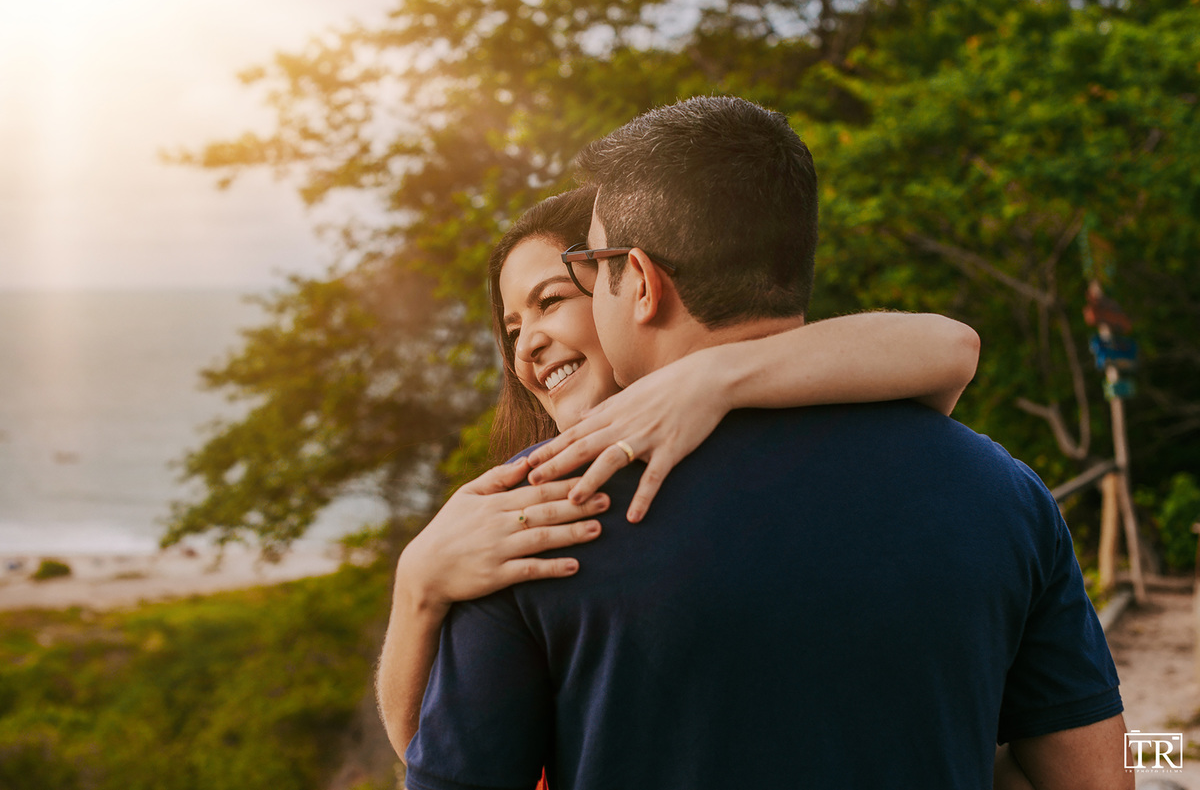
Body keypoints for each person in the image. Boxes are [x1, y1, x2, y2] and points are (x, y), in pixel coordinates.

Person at [401, 96, 1129, 789]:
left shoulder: (534, 520)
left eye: (587, 272)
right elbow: (1096, 774)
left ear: (643, 283)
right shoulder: (1001, 490)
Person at [377, 185, 982, 765]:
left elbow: (951, 346)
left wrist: (712, 377)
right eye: (511, 330)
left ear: (630, 285)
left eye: (550, 301)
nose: (526, 345)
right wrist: (417, 587)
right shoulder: (517, 509)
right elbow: (433, 755)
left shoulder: (772, 424)